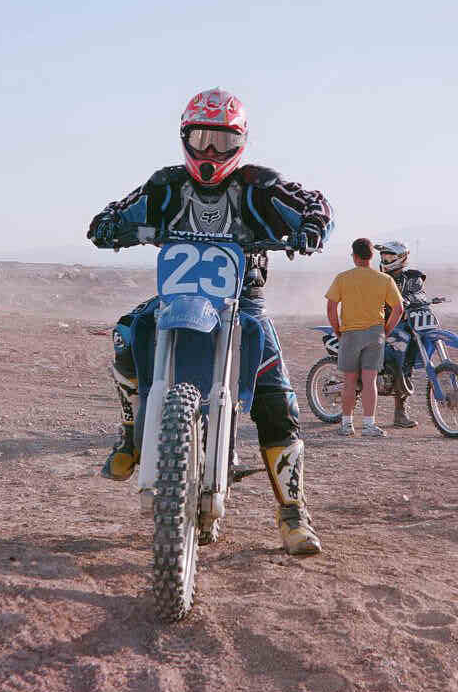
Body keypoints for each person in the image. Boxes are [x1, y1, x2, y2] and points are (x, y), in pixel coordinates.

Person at [87, 87, 335, 555]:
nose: (211, 152)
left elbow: (314, 204)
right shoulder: (165, 185)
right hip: (178, 299)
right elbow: (117, 212)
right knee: (127, 335)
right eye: (202, 138)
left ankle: (293, 511)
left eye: (223, 141)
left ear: (241, 141)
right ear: (185, 136)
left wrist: (311, 228)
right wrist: (108, 226)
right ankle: (131, 434)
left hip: (243, 304)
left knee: (277, 396)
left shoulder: (260, 185)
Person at [325, 238, 404, 437]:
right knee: (370, 381)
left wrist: (337, 330)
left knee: (350, 381)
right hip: (375, 334)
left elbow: (331, 307)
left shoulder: (343, 278)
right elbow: (398, 309)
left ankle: (346, 425)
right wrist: (385, 331)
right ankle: (369, 425)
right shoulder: (384, 279)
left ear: (354, 256)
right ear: (371, 256)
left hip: (350, 334)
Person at [374, 241, 427, 428]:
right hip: (382, 323)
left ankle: (400, 413)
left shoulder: (412, 277)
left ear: (401, 258)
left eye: (389, 257)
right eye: (383, 257)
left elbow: (421, 295)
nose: (385, 260)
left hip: (405, 325)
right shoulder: (378, 278)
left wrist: (407, 299)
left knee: (406, 366)